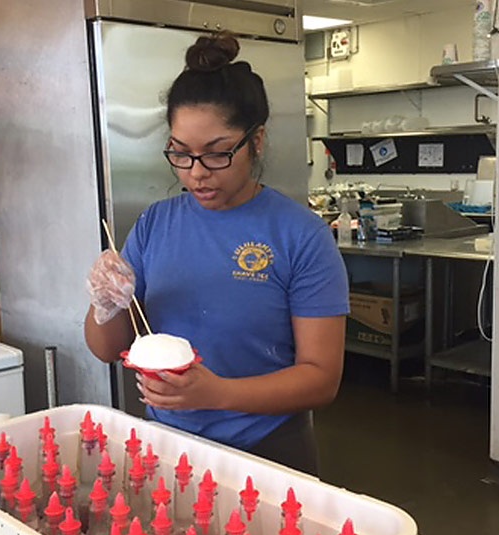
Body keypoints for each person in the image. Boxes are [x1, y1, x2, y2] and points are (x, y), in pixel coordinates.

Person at [84, 31, 349, 476]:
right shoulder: (155, 224)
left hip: (268, 451)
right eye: (181, 154)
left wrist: (216, 394)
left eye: (218, 153)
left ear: (257, 141)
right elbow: (108, 350)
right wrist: (104, 304)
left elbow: (322, 377)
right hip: (165, 446)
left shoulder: (300, 235)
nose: (197, 174)